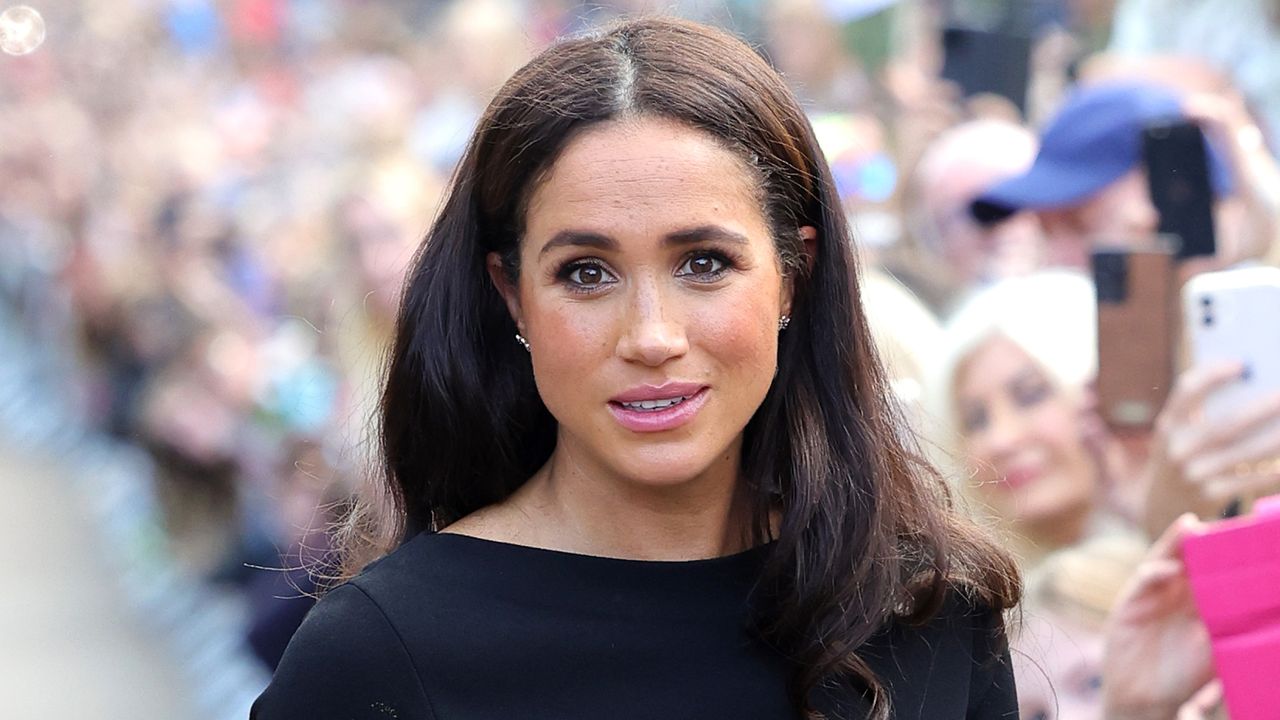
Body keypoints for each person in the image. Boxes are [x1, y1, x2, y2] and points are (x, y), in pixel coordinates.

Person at [250, 17, 1020, 720]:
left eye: (705, 263)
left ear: (794, 273)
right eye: (587, 273)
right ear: (511, 295)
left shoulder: (927, 611)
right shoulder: (380, 655)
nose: (651, 336)